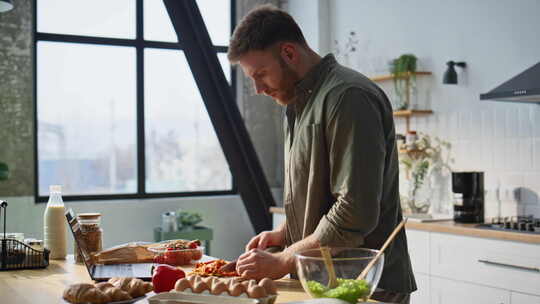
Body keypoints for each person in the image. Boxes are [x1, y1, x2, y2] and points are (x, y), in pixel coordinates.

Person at [227, 5, 416, 303]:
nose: (259, 89)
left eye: (261, 74)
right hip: (320, 284)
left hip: (366, 287)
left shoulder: (349, 97)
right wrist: (284, 232)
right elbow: (314, 192)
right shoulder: (296, 104)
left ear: (289, 53)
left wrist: (284, 259)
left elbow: (353, 212)